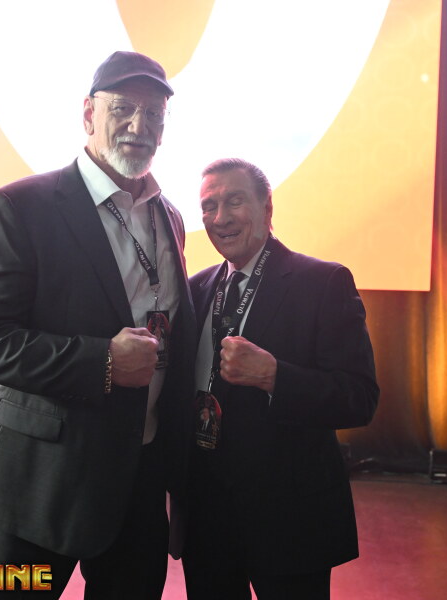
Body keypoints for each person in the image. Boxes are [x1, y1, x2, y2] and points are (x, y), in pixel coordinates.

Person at [0, 51, 196, 599]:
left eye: (154, 114)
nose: (139, 125)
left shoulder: (169, 217)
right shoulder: (19, 207)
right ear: (89, 113)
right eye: (123, 108)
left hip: (139, 476)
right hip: (41, 481)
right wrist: (103, 362)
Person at [176, 158, 379, 599]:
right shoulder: (195, 289)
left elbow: (360, 398)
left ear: (267, 208)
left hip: (289, 520)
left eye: (235, 201)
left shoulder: (323, 282)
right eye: (209, 206)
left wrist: (275, 377)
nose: (220, 218)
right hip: (207, 520)